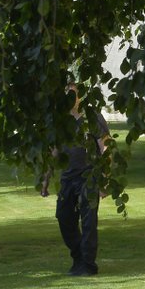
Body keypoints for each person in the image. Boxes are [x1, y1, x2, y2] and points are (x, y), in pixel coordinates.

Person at [40, 84, 110, 276]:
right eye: (66, 92)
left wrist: (104, 180)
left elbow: (105, 147)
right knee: (63, 217)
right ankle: (78, 256)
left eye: (73, 92)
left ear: (80, 95)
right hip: (68, 178)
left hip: (90, 176)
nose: (70, 96)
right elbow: (54, 150)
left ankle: (88, 264)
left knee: (88, 221)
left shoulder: (92, 117)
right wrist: (46, 179)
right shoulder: (62, 121)